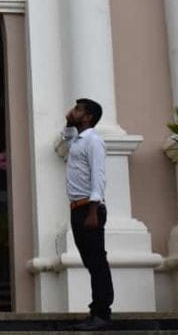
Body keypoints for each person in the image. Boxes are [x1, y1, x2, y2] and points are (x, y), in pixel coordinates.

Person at [64, 98, 114, 331]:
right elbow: (66, 140)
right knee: (90, 262)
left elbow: (98, 176)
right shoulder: (78, 140)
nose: (72, 111)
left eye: (77, 109)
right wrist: (68, 122)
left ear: (88, 117)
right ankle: (96, 311)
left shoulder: (94, 141)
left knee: (97, 262)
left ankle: (102, 312)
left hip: (89, 209)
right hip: (77, 208)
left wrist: (93, 211)